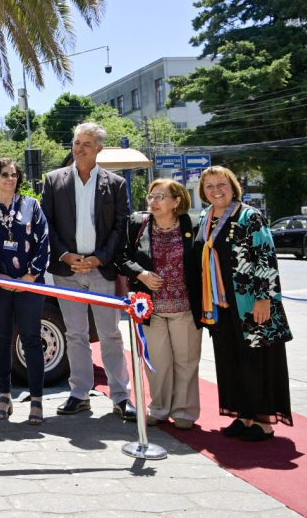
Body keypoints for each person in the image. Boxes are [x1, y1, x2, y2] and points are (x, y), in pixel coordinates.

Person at [41, 122, 135, 420]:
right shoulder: (53, 180)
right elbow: (47, 223)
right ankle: (80, 394)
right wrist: (65, 255)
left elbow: (121, 226)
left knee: (110, 335)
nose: (79, 149)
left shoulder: (115, 183)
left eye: (86, 144)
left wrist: (98, 259)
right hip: (66, 270)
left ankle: (121, 397)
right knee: (75, 334)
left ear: (99, 149)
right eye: (76, 142)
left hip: (101, 270)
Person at [196, 166, 292, 441]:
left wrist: (264, 299)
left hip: (251, 303)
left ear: (233, 187)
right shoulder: (205, 217)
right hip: (220, 305)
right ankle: (243, 415)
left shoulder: (250, 216)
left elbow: (266, 257)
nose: (216, 190)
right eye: (210, 186)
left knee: (257, 361)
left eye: (221, 184)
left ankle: (263, 421)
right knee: (230, 360)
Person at [118, 178, 201, 430]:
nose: (153, 202)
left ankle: (184, 411)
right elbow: (122, 256)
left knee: (186, 361)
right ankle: (159, 408)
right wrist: (141, 274)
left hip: (185, 308)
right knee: (157, 363)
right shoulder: (138, 224)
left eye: (160, 197)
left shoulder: (193, 225)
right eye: (151, 197)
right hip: (151, 308)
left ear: (176, 201)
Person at [0, 158, 50, 425]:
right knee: (0, 339)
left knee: (31, 339)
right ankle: (4, 396)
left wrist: (29, 277)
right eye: (5, 175)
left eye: (14, 174)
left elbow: (44, 241)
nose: (11, 179)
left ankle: (37, 399)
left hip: (30, 283)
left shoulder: (32, 205)